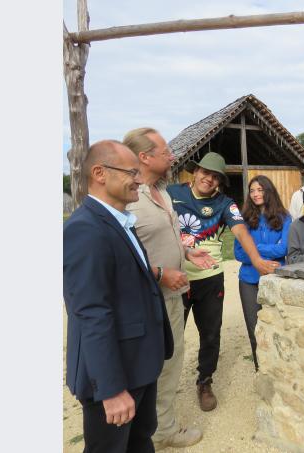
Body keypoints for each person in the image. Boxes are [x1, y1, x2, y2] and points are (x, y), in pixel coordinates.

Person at [64, 140, 174, 453]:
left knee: (140, 442)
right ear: (99, 173)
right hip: (115, 376)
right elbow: (91, 312)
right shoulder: (85, 229)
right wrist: (111, 389)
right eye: (131, 172)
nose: (139, 180)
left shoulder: (119, 221)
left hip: (138, 364)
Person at [168, 152, 280, 412]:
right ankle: (164, 388)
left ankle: (205, 381)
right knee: (171, 337)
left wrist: (258, 261)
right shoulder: (171, 194)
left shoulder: (224, 203)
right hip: (175, 278)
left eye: (215, 176)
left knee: (210, 334)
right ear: (195, 172)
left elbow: (241, 232)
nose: (209, 179)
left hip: (210, 278)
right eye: (205, 172)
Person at [123, 128, 213, 449]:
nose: (172, 156)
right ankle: (159, 431)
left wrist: (188, 252)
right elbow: (121, 254)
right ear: (144, 157)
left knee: (170, 363)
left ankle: (157, 428)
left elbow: (159, 238)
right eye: (165, 151)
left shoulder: (160, 191)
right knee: (151, 366)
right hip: (147, 301)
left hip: (171, 297)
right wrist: (160, 274)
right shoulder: (129, 198)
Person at [234, 175, 292, 372]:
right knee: (254, 328)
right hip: (249, 280)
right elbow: (238, 252)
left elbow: (284, 248)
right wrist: (266, 249)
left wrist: (254, 247)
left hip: (275, 279)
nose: (256, 194)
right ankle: (261, 369)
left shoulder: (285, 217)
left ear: (269, 191)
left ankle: (280, 369)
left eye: (260, 190)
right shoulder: (243, 220)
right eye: (252, 191)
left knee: (278, 326)